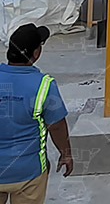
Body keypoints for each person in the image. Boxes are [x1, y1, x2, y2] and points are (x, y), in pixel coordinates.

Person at [0, 24, 73, 203]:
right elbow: (56, 126)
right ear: (35, 53)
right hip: (29, 173)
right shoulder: (44, 85)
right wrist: (66, 154)